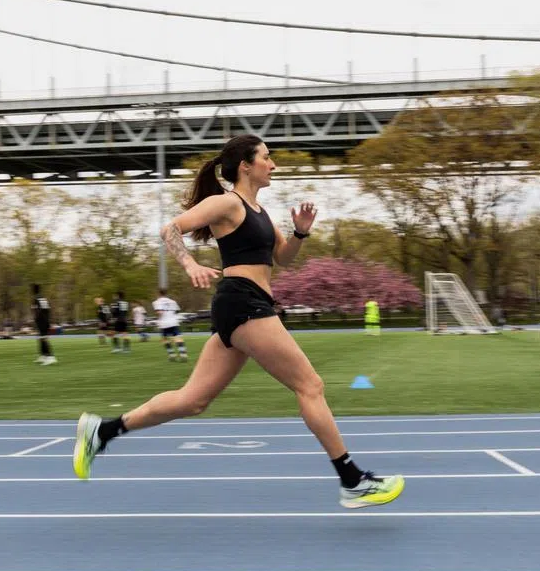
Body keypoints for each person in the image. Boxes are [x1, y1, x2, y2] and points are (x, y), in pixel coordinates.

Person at [72, 134, 405, 509]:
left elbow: (283, 258)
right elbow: (170, 229)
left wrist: (300, 232)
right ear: (245, 165)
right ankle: (352, 479)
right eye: (267, 157)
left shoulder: (259, 212)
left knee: (192, 400)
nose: (273, 164)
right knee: (310, 385)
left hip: (245, 305)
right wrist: (190, 264)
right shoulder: (226, 203)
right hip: (243, 302)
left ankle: (103, 430)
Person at [152, 288, 186, 361]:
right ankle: (183, 354)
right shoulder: (173, 301)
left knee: (165, 339)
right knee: (177, 337)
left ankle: (172, 355)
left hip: (164, 323)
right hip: (174, 322)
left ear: (158, 293)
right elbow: (177, 311)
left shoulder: (157, 302)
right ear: (166, 293)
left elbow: (159, 312)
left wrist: (158, 321)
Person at [32, 284, 56, 365]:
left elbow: (43, 311)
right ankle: (43, 356)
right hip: (42, 321)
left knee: (44, 338)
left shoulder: (38, 298)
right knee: (40, 338)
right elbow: (46, 310)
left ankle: (50, 357)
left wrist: (42, 320)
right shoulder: (41, 298)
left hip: (43, 322)